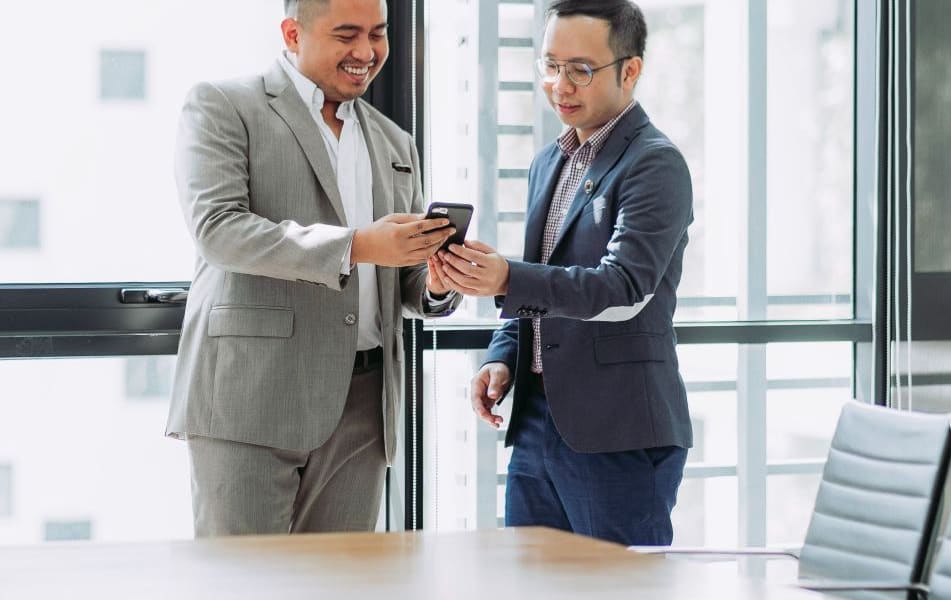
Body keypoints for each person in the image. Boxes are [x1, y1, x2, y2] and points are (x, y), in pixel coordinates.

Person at [167, 0, 461, 537]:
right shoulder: (223, 106)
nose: (366, 52)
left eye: (378, 34)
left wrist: (437, 283)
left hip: (366, 405)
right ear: (292, 33)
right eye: (346, 34)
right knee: (242, 582)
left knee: (343, 584)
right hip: (252, 395)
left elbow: (404, 281)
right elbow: (219, 230)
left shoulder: (397, 143)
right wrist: (357, 246)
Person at [428, 0, 693, 545]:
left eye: (580, 69)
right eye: (550, 65)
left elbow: (622, 288)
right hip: (535, 422)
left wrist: (504, 278)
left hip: (616, 431)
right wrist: (503, 357)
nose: (559, 85)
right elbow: (544, 281)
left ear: (630, 70)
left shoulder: (654, 163)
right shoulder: (550, 160)